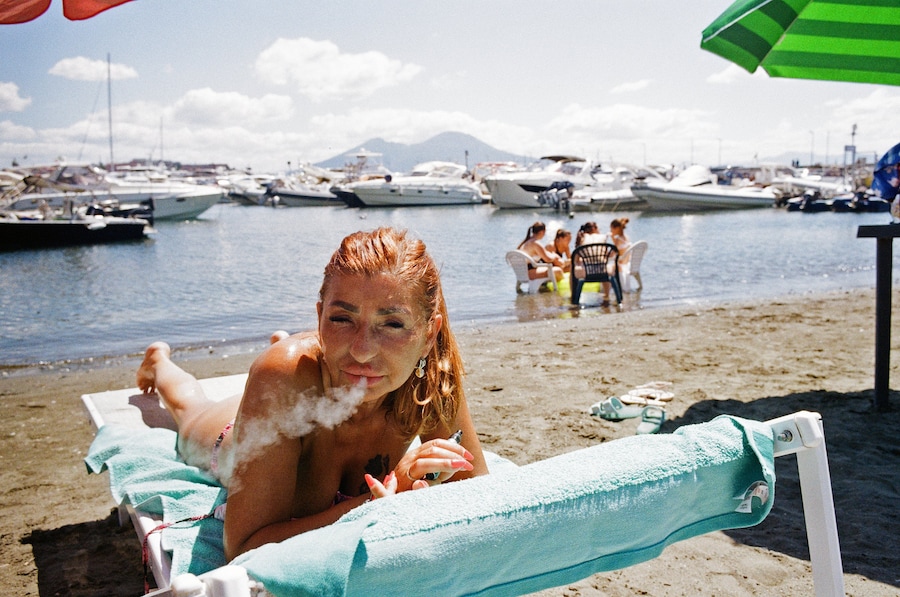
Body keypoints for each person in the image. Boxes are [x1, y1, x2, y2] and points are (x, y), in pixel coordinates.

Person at [136, 227, 489, 561]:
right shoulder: (282, 376)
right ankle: (160, 362)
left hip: (301, 392)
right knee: (189, 407)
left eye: (392, 324)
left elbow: (479, 503)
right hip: (227, 439)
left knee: (295, 371)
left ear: (429, 334)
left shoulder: (431, 379)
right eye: (341, 319)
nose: (363, 350)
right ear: (319, 317)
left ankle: (287, 346)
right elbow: (243, 549)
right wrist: (378, 500)